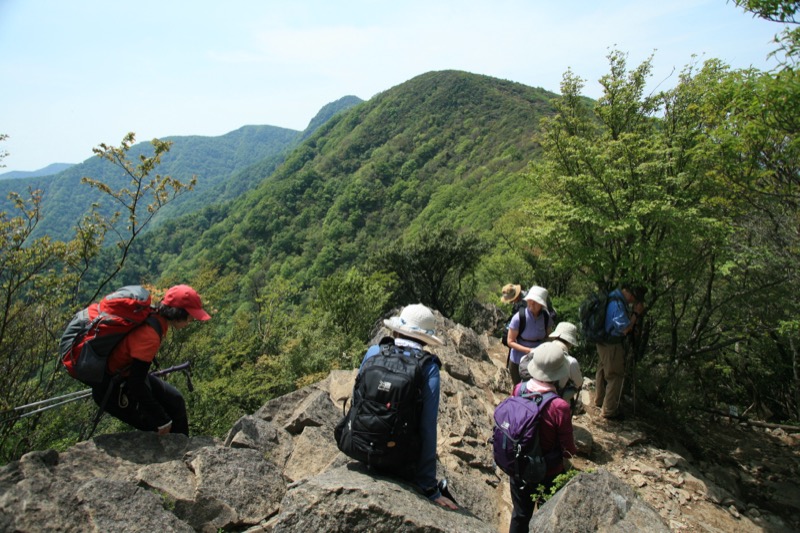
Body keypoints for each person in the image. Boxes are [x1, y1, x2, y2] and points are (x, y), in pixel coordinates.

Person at [357, 304, 458, 510]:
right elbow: (427, 427)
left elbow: (357, 399)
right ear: (425, 339)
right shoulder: (428, 368)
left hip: (360, 447)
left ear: (397, 330)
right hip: (400, 461)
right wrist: (429, 486)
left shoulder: (374, 352)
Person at [90, 284, 211, 436]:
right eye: (190, 316)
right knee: (155, 425)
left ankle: (182, 446)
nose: (192, 320)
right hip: (111, 388)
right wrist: (161, 419)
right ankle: (175, 449)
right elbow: (136, 384)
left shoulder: (153, 315)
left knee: (175, 401)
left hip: (127, 376)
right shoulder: (150, 335)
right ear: (179, 313)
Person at [508, 343, 577, 533]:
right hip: (548, 470)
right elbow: (568, 449)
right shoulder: (559, 406)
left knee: (520, 515)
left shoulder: (519, 389)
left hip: (519, 465)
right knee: (547, 515)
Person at [594, 284, 645, 420]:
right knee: (615, 376)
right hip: (611, 344)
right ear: (630, 293)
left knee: (602, 369)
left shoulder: (611, 296)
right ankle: (609, 411)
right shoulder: (617, 304)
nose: (633, 302)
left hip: (602, 340)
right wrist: (635, 314)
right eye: (634, 299)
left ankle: (599, 400)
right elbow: (625, 329)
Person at [517, 322, 583, 412]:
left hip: (529, 389)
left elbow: (523, 359)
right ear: (570, 343)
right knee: (574, 388)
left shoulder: (540, 348)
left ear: (555, 336)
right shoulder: (571, 361)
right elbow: (578, 383)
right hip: (551, 397)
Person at [506, 285, 553, 385]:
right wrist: (528, 350)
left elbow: (549, 338)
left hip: (538, 361)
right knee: (519, 388)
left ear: (541, 304)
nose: (532, 303)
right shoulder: (519, 317)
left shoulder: (546, 317)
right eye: (530, 300)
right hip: (518, 361)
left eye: (535, 301)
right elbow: (510, 341)